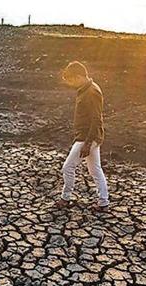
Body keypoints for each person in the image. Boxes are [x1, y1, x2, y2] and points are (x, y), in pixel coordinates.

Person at [56, 61, 109, 212]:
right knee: (95, 170)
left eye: (71, 80)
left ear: (79, 76)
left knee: (67, 167)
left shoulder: (92, 92)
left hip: (87, 138)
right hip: (87, 137)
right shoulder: (85, 89)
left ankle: (65, 198)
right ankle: (103, 202)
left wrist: (87, 143)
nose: (71, 84)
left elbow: (96, 119)